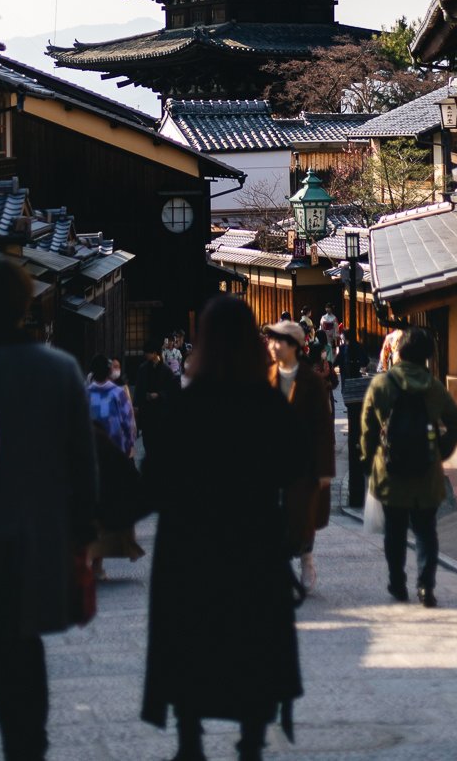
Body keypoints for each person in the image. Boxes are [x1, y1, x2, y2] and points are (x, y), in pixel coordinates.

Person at [142, 296, 302, 761]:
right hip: (253, 541)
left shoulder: (184, 407)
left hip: (189, 545)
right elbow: (296, 468)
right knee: (252, 636)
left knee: (190, 635)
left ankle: (189, 740)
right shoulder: (268, 406)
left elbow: (153, 482)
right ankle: (250, 741)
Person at [0, 257, 97, 761]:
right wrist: (83, 534)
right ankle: (31, 745)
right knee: (29, 642)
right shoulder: (60, 370)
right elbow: (84, 463)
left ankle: (17, 745)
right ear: (25, 304)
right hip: (44, 533)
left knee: (1, 651)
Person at [360, 326, 457, 607]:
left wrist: (370, 461)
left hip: (391, 470)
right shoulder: (433, 387)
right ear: (427, 356)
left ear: (400, 352)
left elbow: (368, 429)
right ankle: (425, 586)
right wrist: (440, 450)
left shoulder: (382, 385)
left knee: (394, 531)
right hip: (426, 469)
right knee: (425, 531)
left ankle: (397, 582)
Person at [264, 320, 335, 594]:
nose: (273, 346)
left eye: (279, 341)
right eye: (271, 341)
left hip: (303, 461)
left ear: (294, 346)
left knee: (302, 514)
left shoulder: (312, 381)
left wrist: (325, 468)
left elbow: (323, 427)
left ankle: (306, 559)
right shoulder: (267, 377)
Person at [86, 352, 143, 580]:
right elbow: (129, 424)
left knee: (94, 512)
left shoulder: (85, 394)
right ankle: (106, 557)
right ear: (109, 371)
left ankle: (95, 562)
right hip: (114, 456)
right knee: (113, 507)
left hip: (91, 459)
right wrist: (129, 446)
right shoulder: (118, 393)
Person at [133, 340, 178, 459]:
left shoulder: (166, 370)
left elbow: (173, 390)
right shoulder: (142, 368)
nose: (145, 355)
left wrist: (159, 395)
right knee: (147, 439)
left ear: (154, 353)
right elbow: (138, 388)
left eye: (147, 353)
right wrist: (136, 405)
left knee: (159, 439)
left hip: (161, 411)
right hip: (146, 410)